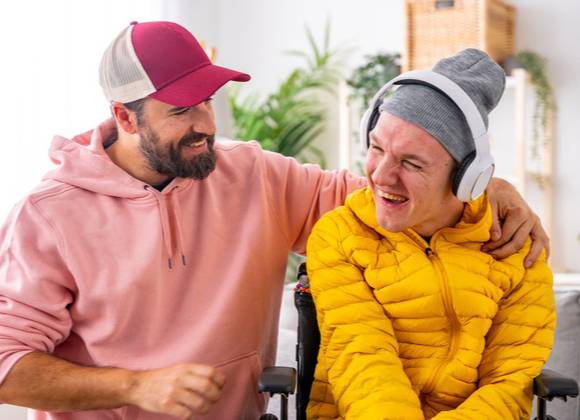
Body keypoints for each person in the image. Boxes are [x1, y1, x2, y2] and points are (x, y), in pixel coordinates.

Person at [0, 21, 547, 420]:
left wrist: (487, 186)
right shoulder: (48, 217)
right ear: (124, 116)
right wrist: (135, 386)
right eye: (182, 110)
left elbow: (390, 197)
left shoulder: (252, 175)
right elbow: (7, 365)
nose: (205, 125)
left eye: (209, 101)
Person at [306, 49, 555, 420]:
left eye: (411, 163)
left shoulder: (518, 249)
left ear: (467, 177)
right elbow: (363, 361)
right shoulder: (338, 235)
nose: (380, 176)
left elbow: (509, 382)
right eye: (377, 148)